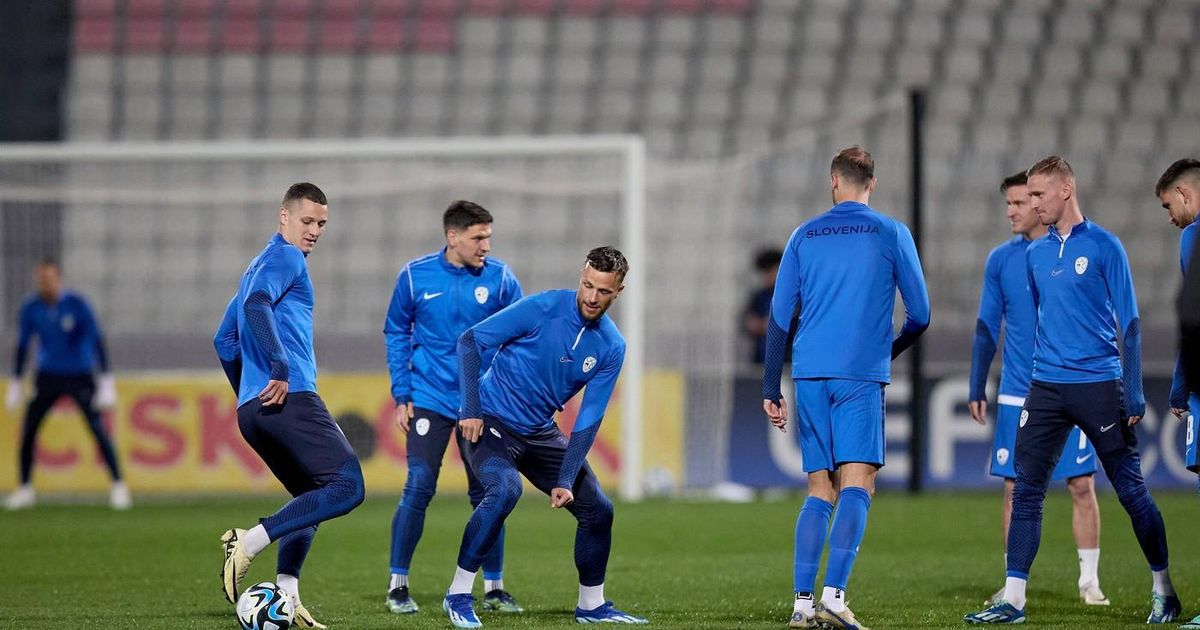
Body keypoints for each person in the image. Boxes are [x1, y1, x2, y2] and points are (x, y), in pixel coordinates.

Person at [965, 157, 1178, 625]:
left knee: (1128, 489)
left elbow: (1133, 325)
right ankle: (1014, 599)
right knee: (1025, 489)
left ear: (1066, 191)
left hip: (1099, 385)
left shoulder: (1105, 247)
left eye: (1038, 195)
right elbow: (1043, 319)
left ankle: (1164, 589)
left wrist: (1135, 389)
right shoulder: (1034, 255)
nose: (1031, 203)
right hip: (1045, 388)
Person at [762, 146, 930, 630]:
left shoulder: (803, 234)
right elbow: (920, 315)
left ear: (833, 182)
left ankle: (800, 605)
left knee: (819, 487)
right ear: (871, 184)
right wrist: (886, 352)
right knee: (859, 482)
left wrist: (771, 384)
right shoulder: (891, 232)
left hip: (809, 372)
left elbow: (778, 318)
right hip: (858, 374)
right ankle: (834, 597)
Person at [440, 246, 647, 628]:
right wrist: (469, 408)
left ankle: (591, 605)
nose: (591, 297)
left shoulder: (612, 347)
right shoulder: (544, 307)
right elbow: (471, 342)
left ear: (618, 291)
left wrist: (566, 479)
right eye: (587, 285)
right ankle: (457, 594)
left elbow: (589, 419)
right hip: (489, 420)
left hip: (538, 432)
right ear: (581, 277)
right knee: (504, 490)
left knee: (598, 509)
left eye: (603, 291)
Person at [213, 183, 365, 630]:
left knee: (309, 500)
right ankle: (248, 541)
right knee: (347, 486)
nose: (315, 231)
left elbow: (223, 340)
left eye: (321, 224)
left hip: (255, 410)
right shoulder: (286, 258)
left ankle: (286, 596)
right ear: (284, 216)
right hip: (291, 394)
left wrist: (247, 394)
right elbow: (258, 306)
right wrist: (278, 368)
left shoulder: (254, 267)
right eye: (307, 221)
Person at [968, 172, 1106, 607]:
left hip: (1069, 382)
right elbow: (987, 325)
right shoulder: (1000, 260)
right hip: (1016, 391)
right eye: (1007, 204)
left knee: (1081, 485)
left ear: (1036, 202)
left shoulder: (1072, 251)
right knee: (1014, 488)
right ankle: (1013, 586)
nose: (1010, 211)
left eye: (1017, 203)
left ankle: (1089, 581)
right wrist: (977, 382)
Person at [383, 201, 524, 614]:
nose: (486, 245)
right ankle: (398, 585)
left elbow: (521, 336)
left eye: (488, 238)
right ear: (453, 236)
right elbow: (396, 331)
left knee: (490, 491)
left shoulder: (501, 280)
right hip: (429, 397)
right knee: (419, 484)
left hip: (480, 403)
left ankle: (495, 588)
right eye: (478, 237)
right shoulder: (414, 276)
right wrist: (402, 393)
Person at [4, 259, 128, 511]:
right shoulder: (31, 307)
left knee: (97, 429)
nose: (44, 284)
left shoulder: (77, 304)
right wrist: (16, 381)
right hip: (47, 376)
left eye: (48, 279)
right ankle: (25, 488)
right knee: (29, 430)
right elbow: (23, 344)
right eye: (40, 279)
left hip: (79, 375)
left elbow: (96, 339)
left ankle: (118, 485)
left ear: (58, 279)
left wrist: (105, 380)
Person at [1154, 158, 1200, 630]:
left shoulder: (1194, 237)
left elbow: (1194, 313)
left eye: (1169, 205)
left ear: (1185, 195)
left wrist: (1180, 386)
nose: (1170, 217)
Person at [742, 248, 782, 364]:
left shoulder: (792, 296)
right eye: (763, 271)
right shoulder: (758, 296)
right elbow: (747, 322)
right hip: (761, 361)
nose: (765, 275)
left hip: (786, 362)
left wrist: (764, 325)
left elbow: (785, 325)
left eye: (769, 270)